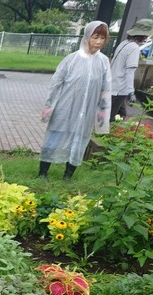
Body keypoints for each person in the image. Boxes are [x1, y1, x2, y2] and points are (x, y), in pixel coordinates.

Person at [38, 21, 111, 181]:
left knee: (79, 141)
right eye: (95, 37)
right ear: (87, 36)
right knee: (54, 138)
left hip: (86, 110)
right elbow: (56, 84)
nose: (99, 42)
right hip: (65, 107)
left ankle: (68, 175)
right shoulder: (71, 59)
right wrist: (49, 107)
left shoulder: (104, 62)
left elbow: (106, 89)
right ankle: (43, 172)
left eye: (103, 38)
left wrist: (102, 116)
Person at [110, 18, 153, 122]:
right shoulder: (134, 48)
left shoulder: (124, 43)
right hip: (119, 88)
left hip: (112, 84)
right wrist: (131, 92)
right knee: (109, 118)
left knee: (121, 114)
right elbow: (129, 72)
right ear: (143, 35)